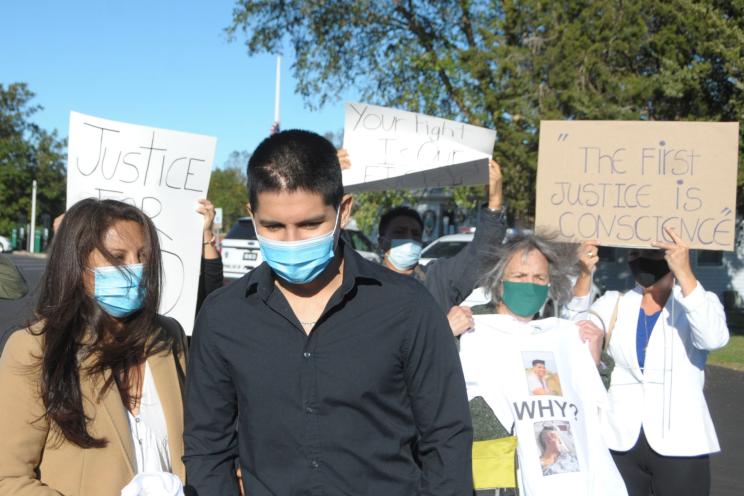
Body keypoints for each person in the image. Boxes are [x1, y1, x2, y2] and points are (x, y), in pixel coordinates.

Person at [184, 130, 473, 496]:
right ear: (251, 215)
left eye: (310, 224)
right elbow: (207, 448)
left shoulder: (407, 307)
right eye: (273, 226)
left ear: (344, 211)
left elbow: (446, 436)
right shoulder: (223, 317)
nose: (291, 241)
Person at [0, 199, 188, 495]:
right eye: (117, 257)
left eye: (143, 255)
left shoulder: (168, 337)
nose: (135, 268)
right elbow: (9, 479)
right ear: (77, 264)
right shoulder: (34, 348)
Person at [459, 233, 627, 496]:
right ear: (499, 281)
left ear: (551, 283)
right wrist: (447, 333)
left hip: (565, 480)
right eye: (519, 276)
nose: (530, 285)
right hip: (498, 474)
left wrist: (593, 361)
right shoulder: (472, 329)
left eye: (539, 278)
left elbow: (589, 399)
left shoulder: (562, 333)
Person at [567, 227, 729, 496]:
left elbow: (713, 338)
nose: (641, 258)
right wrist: (584, 275)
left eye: (650, 253)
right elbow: (573, 334)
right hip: (619, 439)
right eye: (634, 252)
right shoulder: (613, 302)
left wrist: (685, 273)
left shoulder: (698, 301)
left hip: (681, 443)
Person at [374, 158, 507, 337]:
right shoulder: (364, 285)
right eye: (400, 233)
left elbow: (480, 255)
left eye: (415, 234)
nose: (409, 239)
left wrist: (495, 203)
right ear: (382, 242)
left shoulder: (438, 280)